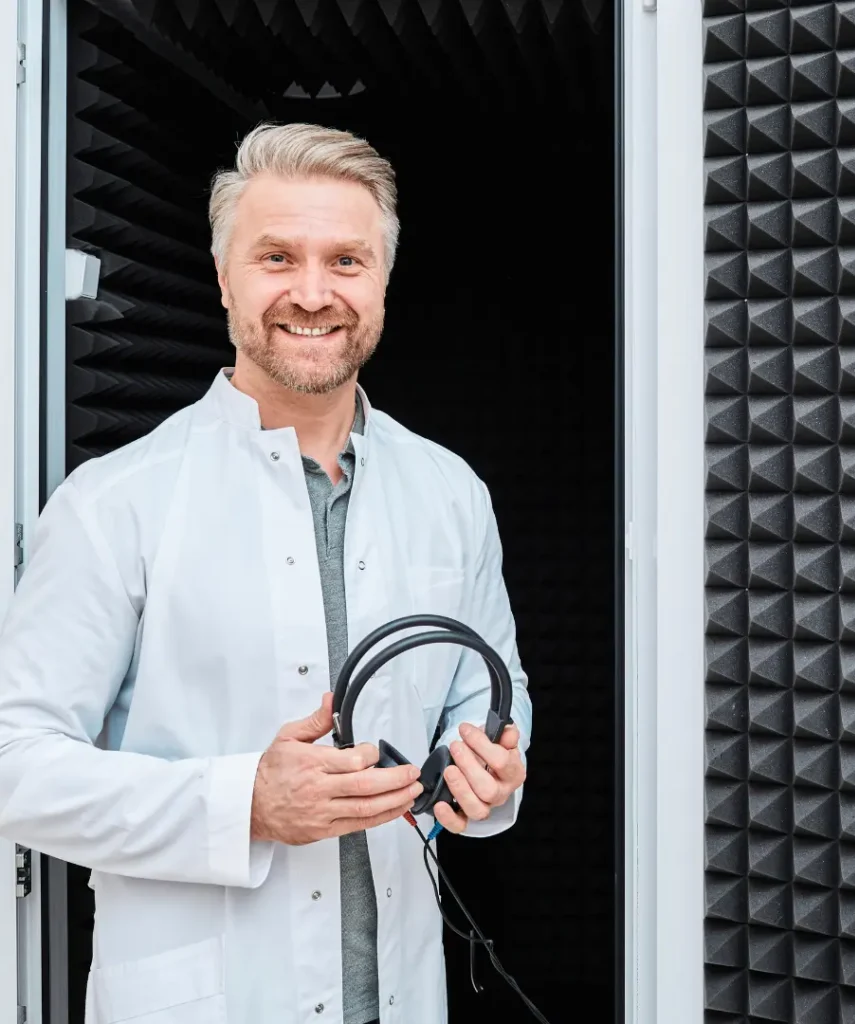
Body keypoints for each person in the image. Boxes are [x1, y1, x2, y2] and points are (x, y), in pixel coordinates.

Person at [0, 122, 532, 1024]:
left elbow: (493, 698)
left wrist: (490, 773)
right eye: (277, 257)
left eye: (346, 261)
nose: (313, 293)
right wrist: (243, 802)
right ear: (224, 277)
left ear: (384, 279)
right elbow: (17, 766)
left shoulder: (453, 492)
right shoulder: (113, 503)